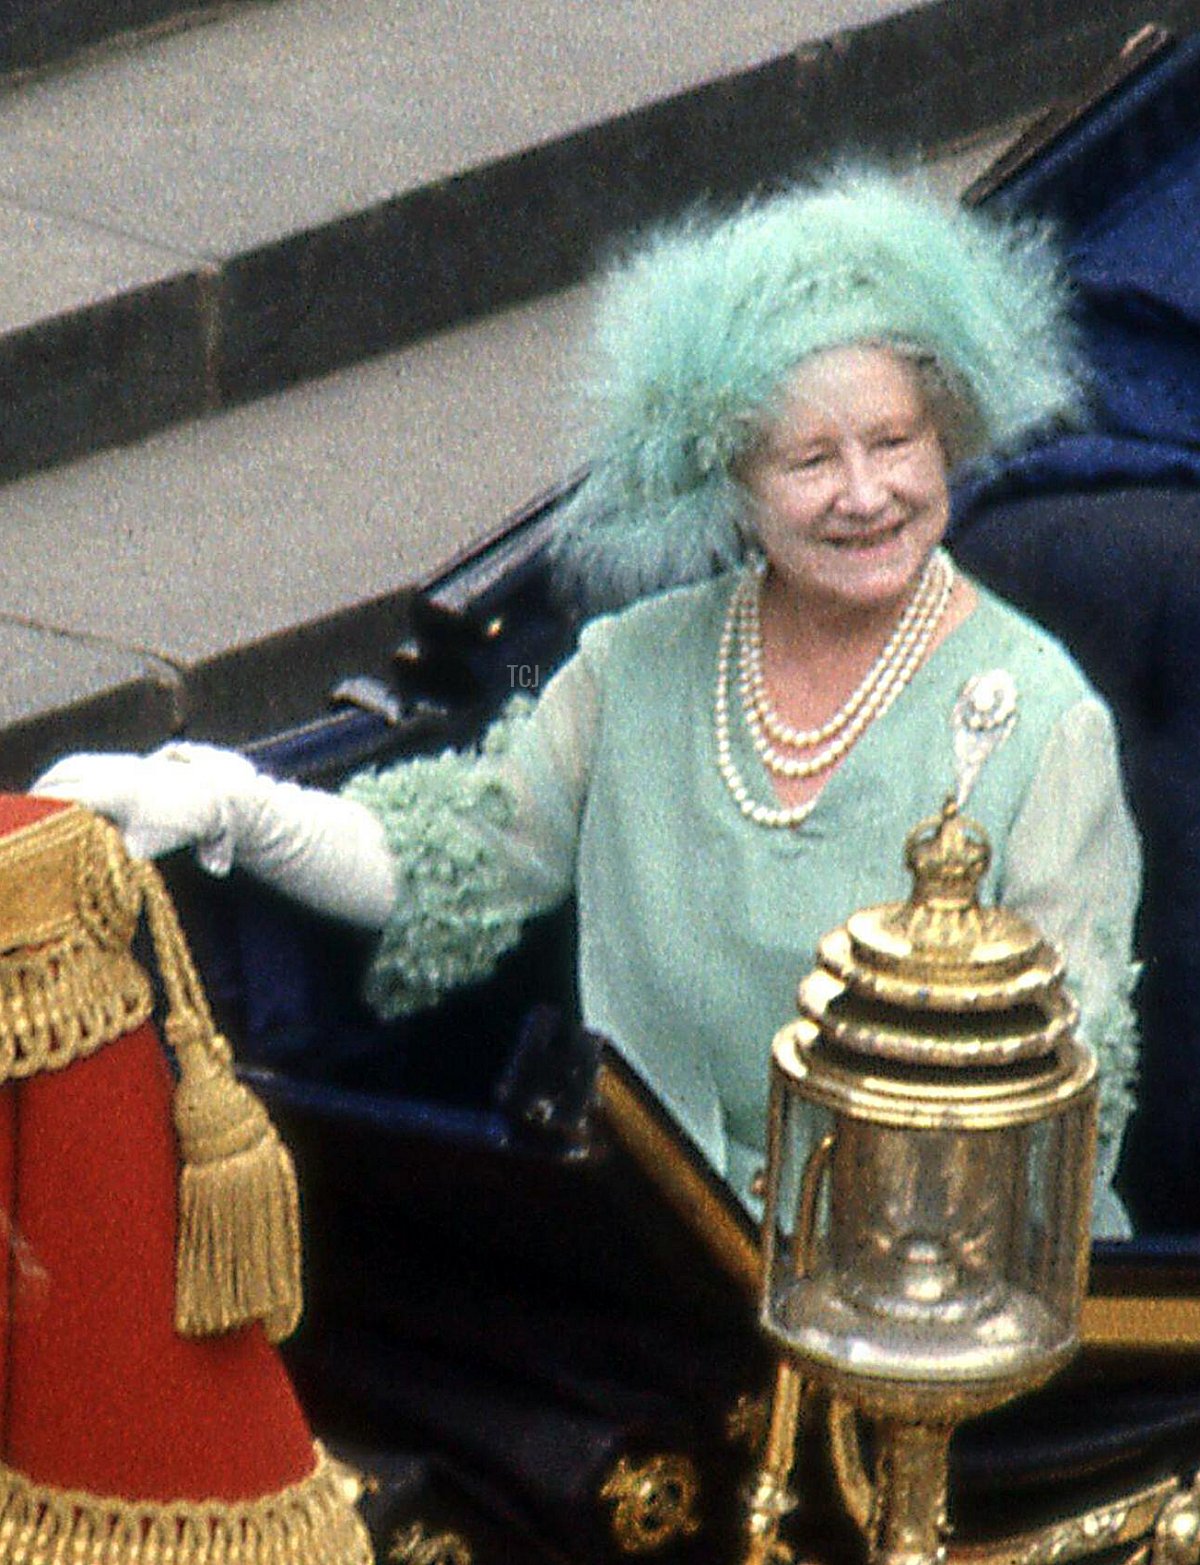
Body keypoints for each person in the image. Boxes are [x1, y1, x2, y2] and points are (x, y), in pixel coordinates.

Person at [35, 168, 1141, 1238]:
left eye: (895, 442)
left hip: (927, 1283)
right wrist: (239, 804)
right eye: (809, 458)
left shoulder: (1044, 720)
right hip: (654, 1258)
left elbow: (1067, 1094)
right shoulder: (634, 666)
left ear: (948, 435)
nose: (865, 493)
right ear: (730, 479)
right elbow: (449, 864)